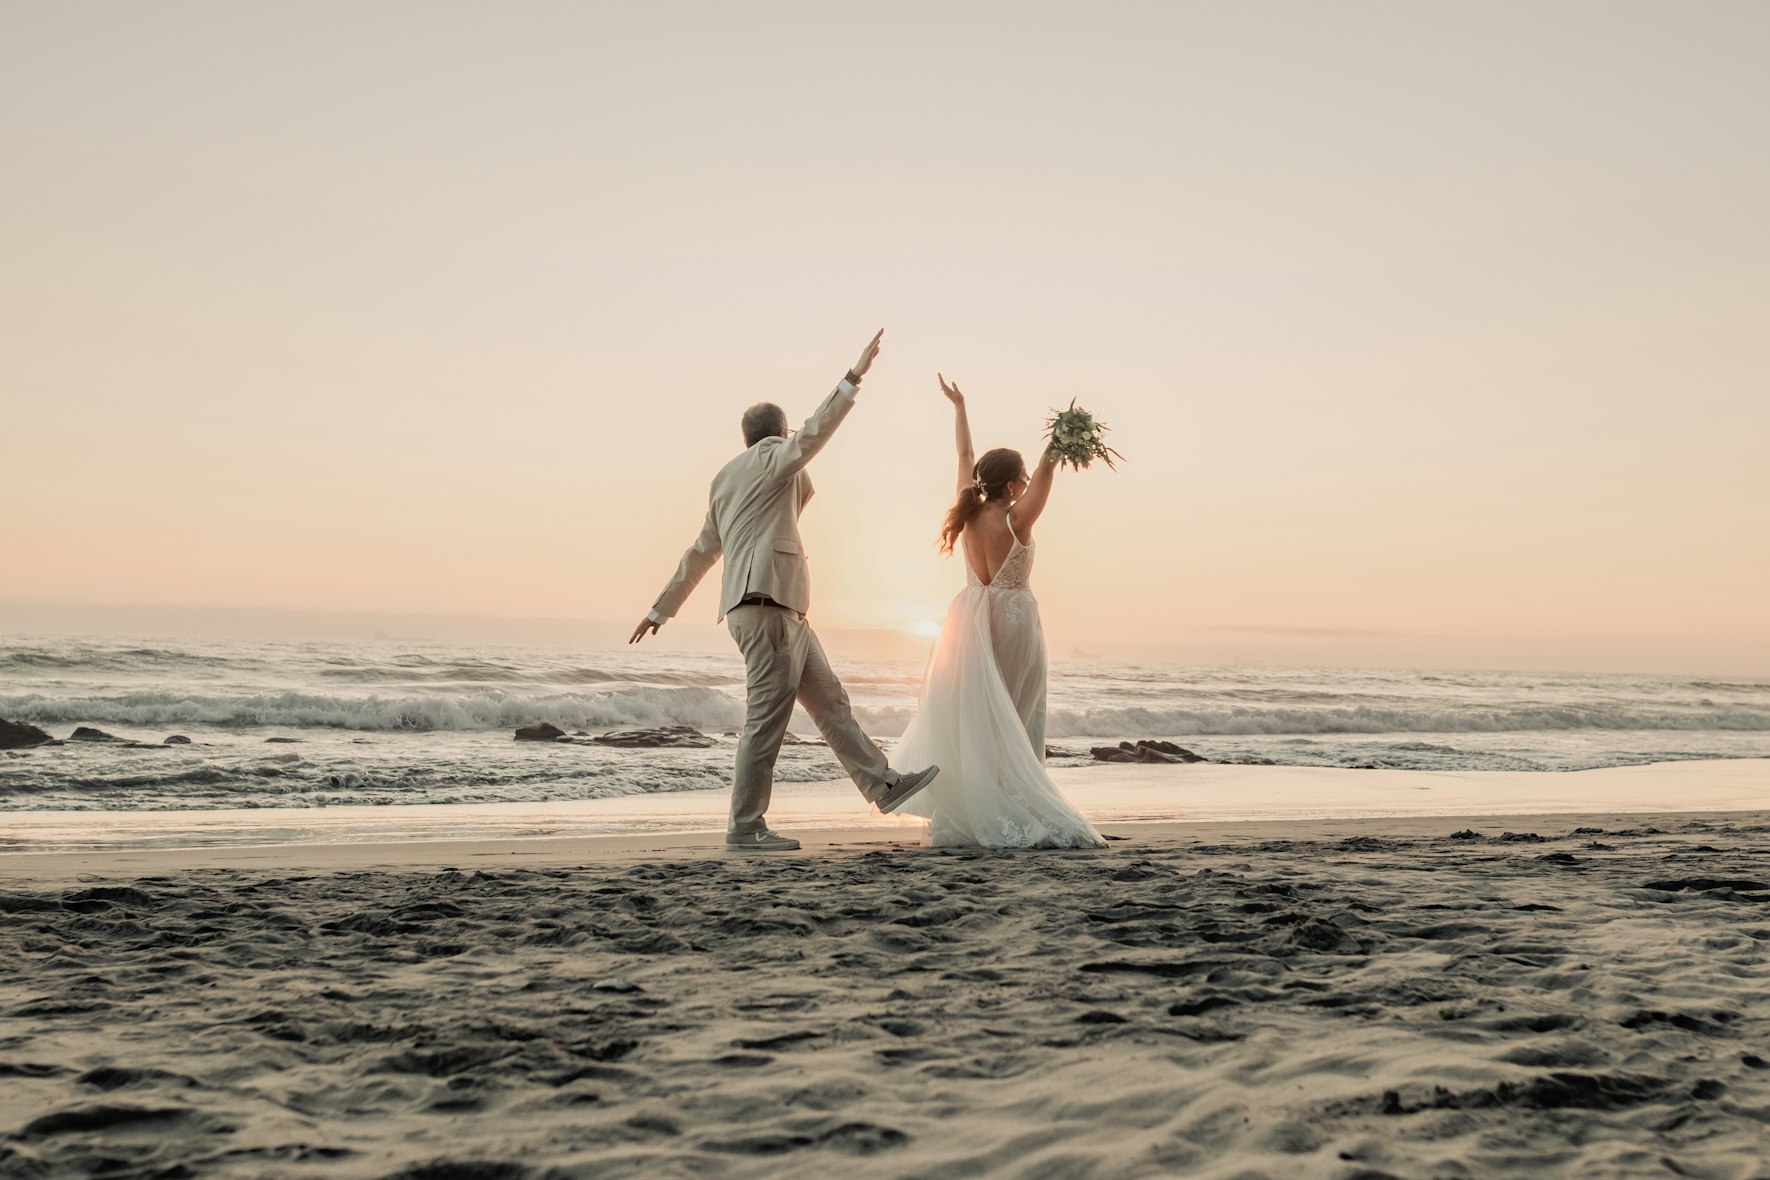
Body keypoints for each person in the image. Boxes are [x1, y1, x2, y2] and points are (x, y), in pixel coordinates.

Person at [629, 331, 940, 852]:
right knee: (765, 722)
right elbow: (814, 436)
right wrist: (853, 377)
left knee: (831, 705)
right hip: (767, 604)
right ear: (775, 433)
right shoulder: (772, 457)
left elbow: (702, 551)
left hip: (778, 609)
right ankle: (745, 827)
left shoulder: (727, 477)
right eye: (786, 432)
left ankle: (883, 786)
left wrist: (662, 607)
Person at [890, 374, 1105, 849]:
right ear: (1011, 485)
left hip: (969, 623)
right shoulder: (1016, 517)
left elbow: (964, 459)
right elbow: (1047, 472)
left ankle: (973, 803)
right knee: (1018, 715)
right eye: (1022, 478)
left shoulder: (967, 514)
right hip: (1013, 624)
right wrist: (1062, 437)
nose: (1028, 483)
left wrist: (959, 407)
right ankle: (1016, 803)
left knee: (980, 719)